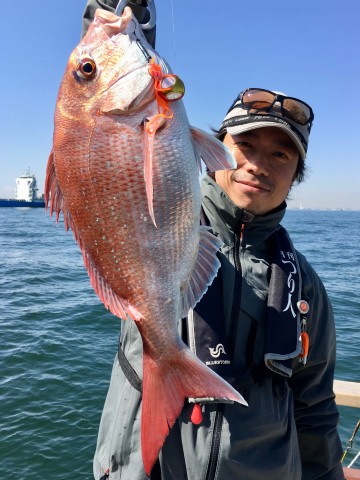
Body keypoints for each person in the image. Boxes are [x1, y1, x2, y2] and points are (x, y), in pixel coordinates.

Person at [82, 2, 345, 479]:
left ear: (296, 176)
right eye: (245, 145)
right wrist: (120, 26)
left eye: (281, 155)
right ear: (212, 143)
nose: (258, 165)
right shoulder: (162, 211)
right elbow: (105, 109)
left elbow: (316, 409)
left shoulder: (305, 287)